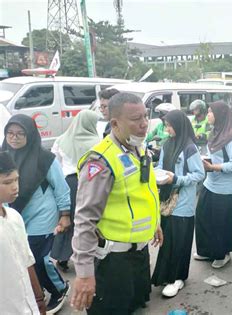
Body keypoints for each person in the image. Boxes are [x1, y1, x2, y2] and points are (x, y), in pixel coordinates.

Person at [70, 93, 163, 314]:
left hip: (138, 255)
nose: (143, 124)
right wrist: (84, 273)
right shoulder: (100, 161)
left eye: (145, 117)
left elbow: (143, 192)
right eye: (135, 119)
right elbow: (84, 220)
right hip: (113, 261)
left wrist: (155, 223)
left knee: (134, 307)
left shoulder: (137, 148)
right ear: (115, 123)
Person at [2, 114, 71, 314]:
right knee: (19, 259)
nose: (14, 138)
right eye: (10, 133)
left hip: (41, 216)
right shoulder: (3, 155)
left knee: (38, 259)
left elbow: (61, 187)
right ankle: (35, 289)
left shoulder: (44, 157)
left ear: (30, 135)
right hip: (12, 217)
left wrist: (65, 214)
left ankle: (59, 288)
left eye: (20, 134)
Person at [151, 110, 205, 298]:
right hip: (167, 199)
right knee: (168, 240)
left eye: (169, 125)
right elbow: (161, 167)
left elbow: (199, 174)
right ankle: (166, 276)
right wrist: (156, 174)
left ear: (179, 125)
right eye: (166, 125)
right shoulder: (167, 144)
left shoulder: (189, 148)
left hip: (183, 202)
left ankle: (178, 278)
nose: (166, 129)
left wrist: (176, 179)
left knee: (180, 240)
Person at [50, 110, 101, 272]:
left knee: (68, 221)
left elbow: (55, 163)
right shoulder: (97, 142)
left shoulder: (61, 140)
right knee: (87, 220)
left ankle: (62, 256)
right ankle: (90, 256)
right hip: (89, 184)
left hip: (68, 184)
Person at [195, 101, 232, 269]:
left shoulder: (231, 135)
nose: (208, 115)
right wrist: (206, 161)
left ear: (220, 115)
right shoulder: (214, 132)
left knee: (221, 223)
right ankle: (208, 250)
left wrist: (214, 167)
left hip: (227, 187)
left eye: (210, 112)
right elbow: (215, 154)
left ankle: (222, 254)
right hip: (211, 182)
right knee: (203, 217)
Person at [0, 151, 46, 315]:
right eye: (7, 182)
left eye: (16, 179)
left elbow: (27, 260)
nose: (15, 186)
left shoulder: (14, 217)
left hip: (28, 306)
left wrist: (39, 300)